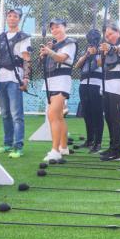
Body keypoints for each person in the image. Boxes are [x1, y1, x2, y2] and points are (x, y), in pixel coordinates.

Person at [0, 8, 32, 159]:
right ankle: (7, 144)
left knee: (16, 114)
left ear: (19, 19)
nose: (12, 18)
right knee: (5, 113)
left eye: (15, 16)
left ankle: (18, 146)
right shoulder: (2, 36)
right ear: (6, 18)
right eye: (9, 16)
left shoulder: (23, 37)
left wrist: (26, 78)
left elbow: (26, 58)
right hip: (1, 78)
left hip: (15, 78)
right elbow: (1, 59)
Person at [40, 18, 77, 162]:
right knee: (59, 116)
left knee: (53, 115)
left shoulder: (70, 43)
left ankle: (55, 151)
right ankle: (63, 147)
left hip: (61, 80)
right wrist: (44, 54)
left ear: (65, 27)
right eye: (52, 28)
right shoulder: (54, 45)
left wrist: (49, 52)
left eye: (58, 27)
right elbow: (48, 61)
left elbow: (62, 58)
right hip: (51, 81)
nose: (55, 30)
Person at [98, 22, 120, 161]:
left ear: (118, 32)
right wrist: (102, 52)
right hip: (107, 86)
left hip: (117, 87)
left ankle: (117, 152)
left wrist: (110, 48)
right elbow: (101, 63)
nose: (109, 37)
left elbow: (119, 50)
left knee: (115, 119)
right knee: (109, 118)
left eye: (111, 34)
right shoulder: (109, 48)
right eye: (106, 36)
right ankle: (112, 147)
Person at [75, 27, 103, 153]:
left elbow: (100, 64)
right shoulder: (85, 50)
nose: (92, 40)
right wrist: (87, 54)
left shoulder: (102, 50)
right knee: (86, 113)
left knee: (97, 113)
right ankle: (90, 139)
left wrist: (96, 53)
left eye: (95, 37)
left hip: (96, 84)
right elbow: (77, 65)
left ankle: (98, 142)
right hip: (84, 83)